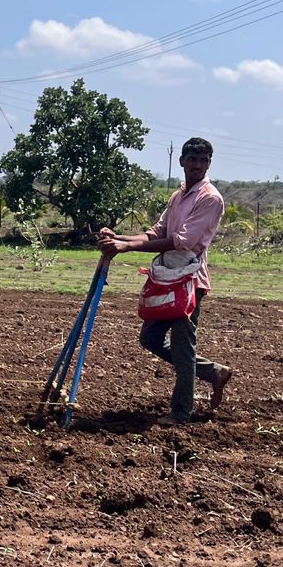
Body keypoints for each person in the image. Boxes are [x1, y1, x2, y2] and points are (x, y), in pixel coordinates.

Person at [98, 136, 233, 426]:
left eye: (203, 160)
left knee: (184, 348)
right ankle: (212, 372)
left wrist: (128, 247)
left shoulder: (210, 198)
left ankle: (181, 413)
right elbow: (156, 232)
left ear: (208, 163)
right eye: (192, 159)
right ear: (182, 161)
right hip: (167, 277)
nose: (197, 165)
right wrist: (118, 239)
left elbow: (182, 242)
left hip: (189, 281)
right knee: (149, 338)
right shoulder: (178, 196)